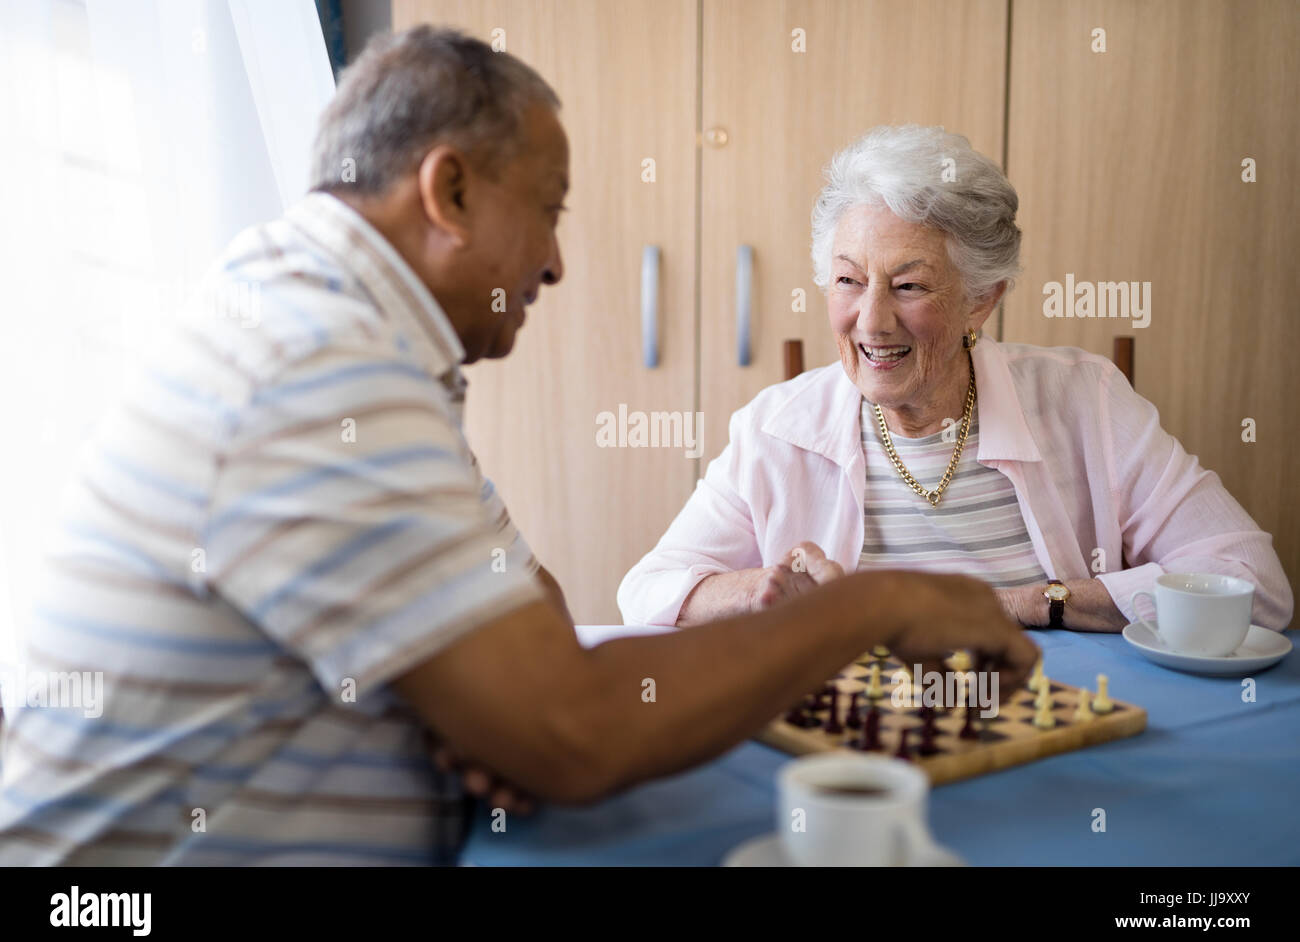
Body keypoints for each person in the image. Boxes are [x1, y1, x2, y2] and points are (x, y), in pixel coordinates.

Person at [0, 29, 1035, 866]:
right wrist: (878, 601)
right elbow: (575, 732)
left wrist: (503, 707)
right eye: (545, 212)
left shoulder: (356, 335)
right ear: (447, 192)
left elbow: (529, 604)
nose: (553, 261)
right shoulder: (314, 360)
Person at [618, 125, 1292, 633]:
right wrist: (759, 591)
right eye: (848, 281)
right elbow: (647, 590)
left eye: (909, 286)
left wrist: (1012, 606)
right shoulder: (776, 428)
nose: (872, 321)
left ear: (981, 299)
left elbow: (1254, 585)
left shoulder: (1085, 401)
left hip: (1050, 727)